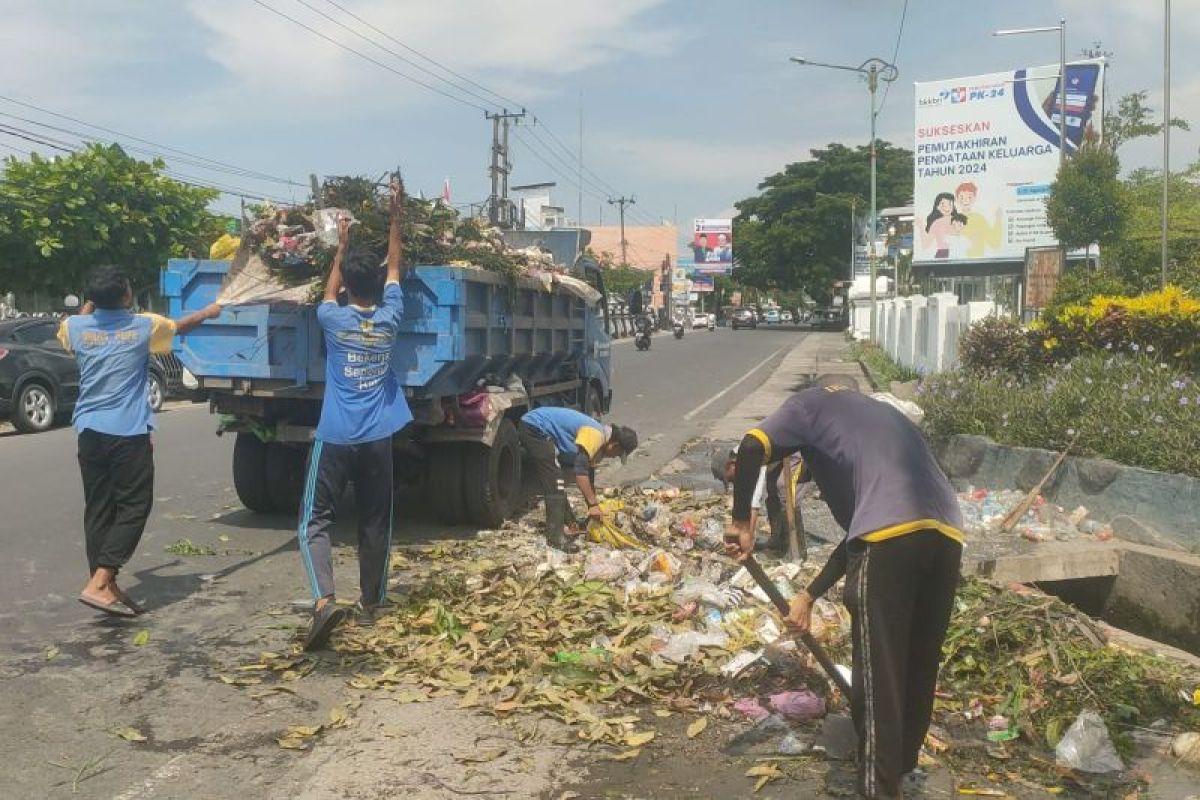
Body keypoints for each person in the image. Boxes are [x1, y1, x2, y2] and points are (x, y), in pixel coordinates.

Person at [724, 375, 964, 800]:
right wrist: (808, 595)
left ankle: (877, 789)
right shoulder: (887, 418)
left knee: (878, 677)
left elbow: (751, 446)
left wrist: (742, 520)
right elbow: (862, 536)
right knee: (916, 668)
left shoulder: (811, 403)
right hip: (947, 534)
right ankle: (900, 771)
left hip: (893, 538)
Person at [58, 265, 221, 618]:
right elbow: (182, 326)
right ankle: (100, 581)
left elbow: (77, 323)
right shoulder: (143, 325)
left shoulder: (74, 327)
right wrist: (209, 312)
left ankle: (104, 583)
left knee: (99, 508)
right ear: (126, 296)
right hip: (126, 432)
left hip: (88, 431)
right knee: (134, 506)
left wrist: (92, 303)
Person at [296, 178, 411, 651]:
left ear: (346, 287)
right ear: (378, 287)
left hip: (336, 436)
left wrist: (339, 248)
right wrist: (395, 216)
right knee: (375, 520)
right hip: (378, 437)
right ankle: (373, 601)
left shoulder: (332, 318)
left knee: (313, 521)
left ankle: (324, 601)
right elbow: (396, 266)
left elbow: (328, 291)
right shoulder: (390, 318)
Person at [518, 407, 638, 552]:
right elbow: (580, 474)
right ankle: (555, 537)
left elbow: (589, 478)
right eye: (618, 454)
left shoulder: (600, 442)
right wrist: (593, 505)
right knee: (555, 482)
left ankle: (570, 523)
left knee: (558, 482)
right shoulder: (596, 435)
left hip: (538, 428)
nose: (614, 457)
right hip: (534, 428)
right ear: (614, 445)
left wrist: (592, 506)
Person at [710, 447, 803, 554]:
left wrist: (747, 535)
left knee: (785, 491)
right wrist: (736, 528)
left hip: (793, 453)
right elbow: (741, 498)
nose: (732, 482)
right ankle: (777, 542)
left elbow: (754, 500)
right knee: (773, 492)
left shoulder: (751, 459)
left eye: (730, 479)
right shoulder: (738, 459)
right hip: (776, 458)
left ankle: (798, 551)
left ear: (731, 465)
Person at [954, 182, 1002, 259]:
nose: (966, 201)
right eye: (962, 197)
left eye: (969, 197)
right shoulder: (952, 220)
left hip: (978, 264)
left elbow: (994, 243)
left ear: (975, 198)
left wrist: (998, 220)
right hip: (955, 263)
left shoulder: (980, 219)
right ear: (956, 199)